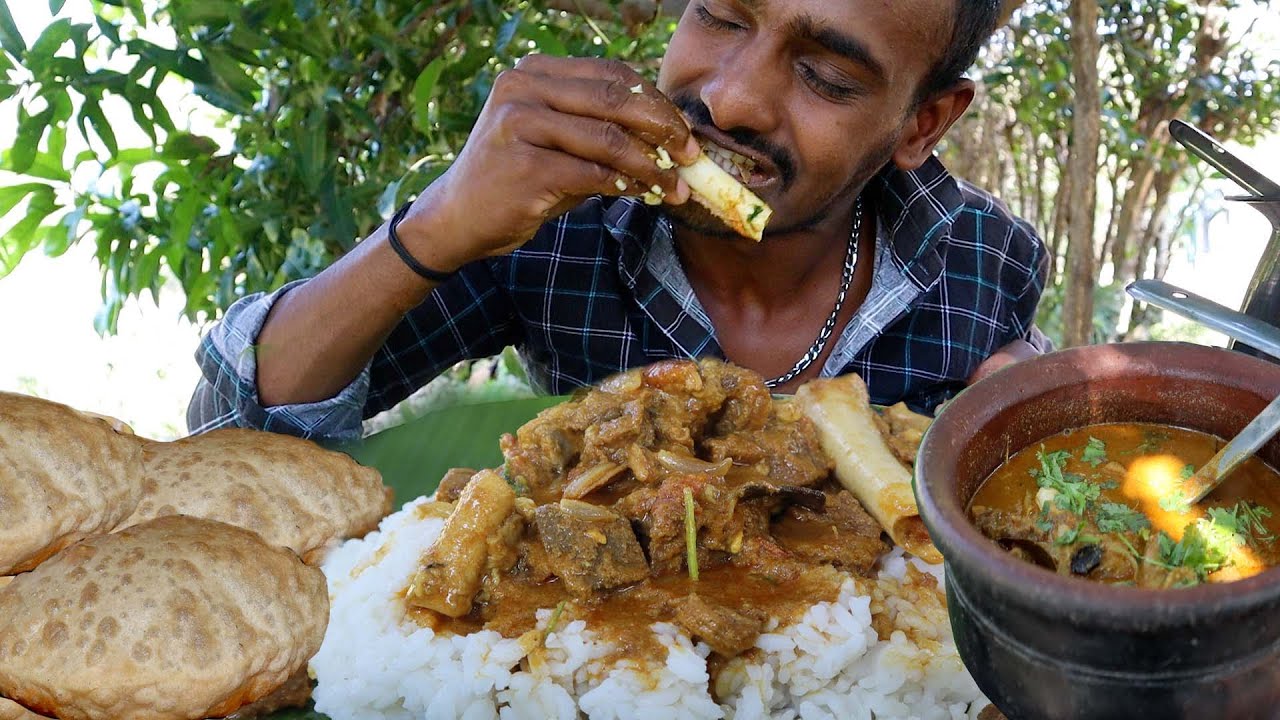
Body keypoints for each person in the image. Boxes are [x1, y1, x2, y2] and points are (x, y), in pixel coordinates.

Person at [188, 0, 1049, 443]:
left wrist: (1025, 405)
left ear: (922, 124)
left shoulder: (985, 260)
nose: (730, 98)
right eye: (719, 15)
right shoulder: (556, 220)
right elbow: (235, 423)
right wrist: (442, 221)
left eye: (825, 76)